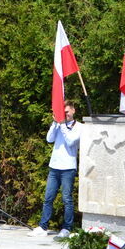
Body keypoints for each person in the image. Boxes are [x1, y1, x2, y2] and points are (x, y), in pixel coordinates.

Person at [29, 100, 81, 239]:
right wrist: (55, 123)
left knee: (67, 199)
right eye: (62, 113)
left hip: (68, 168)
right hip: (54, 167)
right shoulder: (58, 125)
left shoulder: (79, 127)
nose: (65, 115)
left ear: (73, 110)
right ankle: (43, 226)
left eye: (67, 112)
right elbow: (49, 139)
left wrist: (62, 124)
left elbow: (71, 141)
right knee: (48, 198)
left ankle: (67, 228)